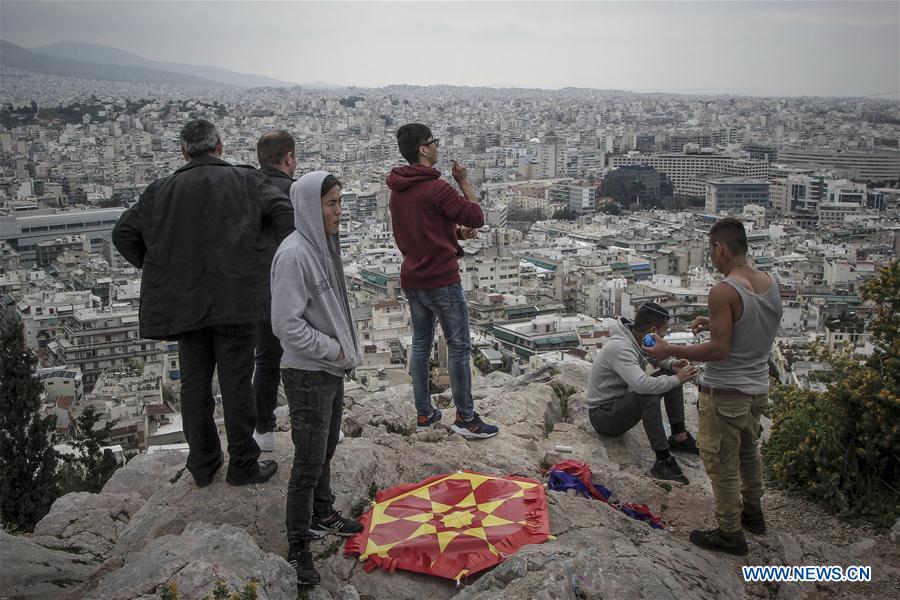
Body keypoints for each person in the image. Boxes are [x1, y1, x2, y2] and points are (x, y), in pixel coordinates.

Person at [113, 119, 293, 487]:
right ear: (220, 146)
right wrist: (260, 259)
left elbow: (123, 234)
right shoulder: (247, 181)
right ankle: (243, 463)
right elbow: (286, 217)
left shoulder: (160, 190)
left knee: (194, 385)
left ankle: (203, 464)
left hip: (185, 300)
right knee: (237, 380)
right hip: (238, 298)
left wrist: (162, 268)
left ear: (183, 151)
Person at [646, 217, 782, 556]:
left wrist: (669, 349)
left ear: (720, 248)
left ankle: (729, 532)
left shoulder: (723, 290)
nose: (712, 257)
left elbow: (719, 351)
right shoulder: (769, 282)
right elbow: (753, 324)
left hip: (725, 392)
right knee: (749, 453)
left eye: (712, 250)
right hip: (756, 388)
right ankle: (754, 514)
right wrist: (715, 320)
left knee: (721, 462)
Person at [271, 171, 363, 586]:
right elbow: (286, 326)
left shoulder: (322, 247)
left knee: (325, 447)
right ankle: (297, 546)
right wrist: (334, 350)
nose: (339, 211)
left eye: (341, 201)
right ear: (310, 206)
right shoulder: (294, 255)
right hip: (308, 372)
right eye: (331, 203)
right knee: (307, 461)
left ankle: (323, 513)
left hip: (329, 370)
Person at [387, 123, 498, 439]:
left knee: (420, 345)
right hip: (441, 279)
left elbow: (420, 230)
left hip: (413, 279)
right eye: (433, 142)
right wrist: (463, 181)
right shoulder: (438, 188)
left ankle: (425, 413)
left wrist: (455, 235)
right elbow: (476, 216)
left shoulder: (398, 190)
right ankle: (467, 418)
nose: (437, 146)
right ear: (422, 149)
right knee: (459, 347)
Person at [586, 303, 700, 484]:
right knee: (649, 393)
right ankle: (663, 459)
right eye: (662, 333)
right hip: (604, 417)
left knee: (671, 376)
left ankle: (679, 436)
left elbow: (649, 356)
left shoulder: (633, 337)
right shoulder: (621, 348)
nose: (663, 338)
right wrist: (678, 379)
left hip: (617, 407)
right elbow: (642, 385)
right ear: (653, 330)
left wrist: (671, 366)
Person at [252, 130, 297, 452]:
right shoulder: (294, 192)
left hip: (254, 287)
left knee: (265, 360)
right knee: (305, 356)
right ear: (289, 157)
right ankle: (313, 423)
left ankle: (263, 430)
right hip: (292, 285)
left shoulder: (242, 190)